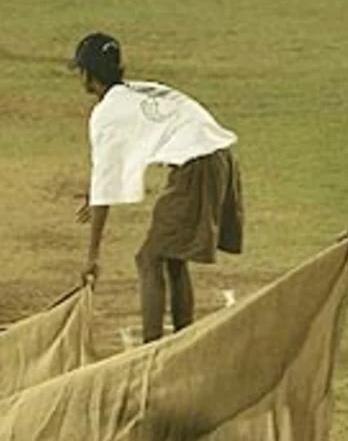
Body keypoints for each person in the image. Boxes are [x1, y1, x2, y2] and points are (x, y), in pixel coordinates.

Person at [70, 32, 244, 342]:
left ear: (88, 73)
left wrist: (92, 256)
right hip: (220, 157)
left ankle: (152, 349)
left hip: (197, 164)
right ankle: (182, 341)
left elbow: (105, 189)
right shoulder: (138, 89)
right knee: (172, 257)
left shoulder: (107, 113)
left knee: (149, 259)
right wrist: (96, 189)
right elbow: (107, 175)